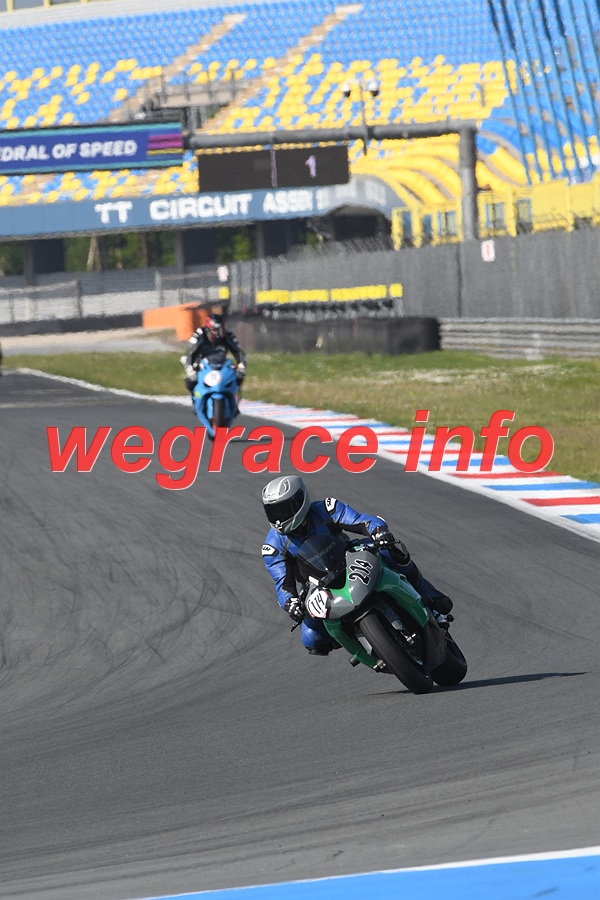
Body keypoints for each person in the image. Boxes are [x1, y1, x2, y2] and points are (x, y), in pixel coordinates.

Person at [261, 475, 453, 656]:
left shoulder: (325, 509)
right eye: (273, 511)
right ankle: (362, 642)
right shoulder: (273, 547)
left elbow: (362, 520)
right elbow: (283, 585)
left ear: (300, 500)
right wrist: (291, 603)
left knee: (391, 550)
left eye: (283, 509)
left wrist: (378, 531)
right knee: (312, 638)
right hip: (317, 585)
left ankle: (430, 598)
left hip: (348, 556)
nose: (279, 517)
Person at [181, 311, 247, 404]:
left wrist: (241, 366)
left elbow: (238, 351)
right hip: (202, 364)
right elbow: (190, 353)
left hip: (221, 364)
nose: (219, 333)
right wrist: (190, 369)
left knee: (238, 378)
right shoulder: (200, 334)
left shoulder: (228, 335)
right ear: (209, 329)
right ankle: (196, 399)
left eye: (221, 329)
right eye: (216, 330)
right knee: (191, 381)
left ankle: (234, 401)